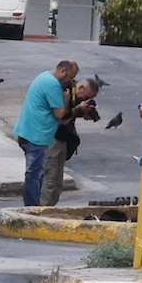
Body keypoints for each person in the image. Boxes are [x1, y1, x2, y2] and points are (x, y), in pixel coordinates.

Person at [14, 60, 79, 206]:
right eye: (70, 77)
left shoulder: (43, 76)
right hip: (37, 136)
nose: (70, 81)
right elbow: (59, 113)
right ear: (63, 71)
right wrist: (67, 99)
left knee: (36, 172)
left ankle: (33, 205)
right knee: (34, 174)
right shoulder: (53, 85)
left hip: (27, 131)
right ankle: (32, 208)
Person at [40, 78, 99, 206]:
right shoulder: (64, 92)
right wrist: (78, 110)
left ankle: (50, 208)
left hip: (62, 138)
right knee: (50, 178)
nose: (84, 100)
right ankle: (43, 210)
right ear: (81, 87)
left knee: (57, 182)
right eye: (86, 97)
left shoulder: (75, 96)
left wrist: (84, 112)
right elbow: (62, 118)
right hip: (52, 138)